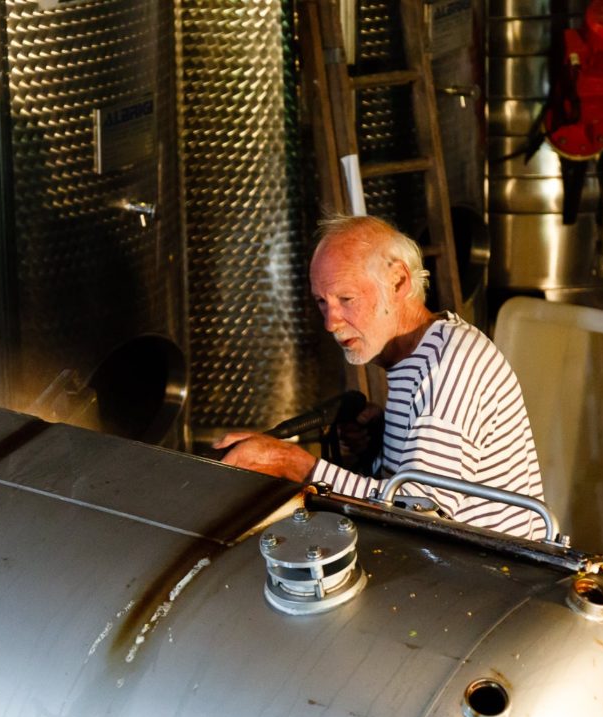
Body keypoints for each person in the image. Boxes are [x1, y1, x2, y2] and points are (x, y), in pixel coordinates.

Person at [214, 214, 547, 540]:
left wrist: (294, 464)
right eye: (321, 302)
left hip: (498, 580)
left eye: (346, 299)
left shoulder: (450, 363)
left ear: (398, 281)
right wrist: (382, 443)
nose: (331, 322)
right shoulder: (416, 356)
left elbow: (418, 515)